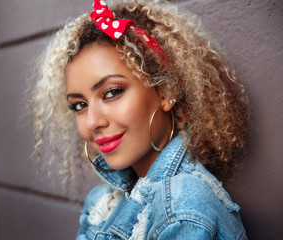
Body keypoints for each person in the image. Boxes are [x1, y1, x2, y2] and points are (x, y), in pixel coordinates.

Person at [29, 0, 249, 239]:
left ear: (167, 90)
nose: (92, 122)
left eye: (112, 92)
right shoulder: (103, 202)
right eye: (80, 105)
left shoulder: (180, 208)